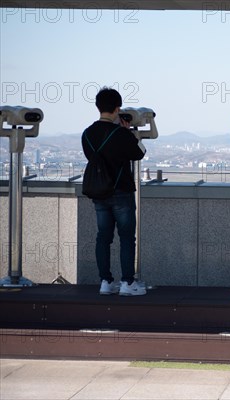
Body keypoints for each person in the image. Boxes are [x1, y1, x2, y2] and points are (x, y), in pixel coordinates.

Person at [82, 88, 147, 296]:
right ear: (117, 108)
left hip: (99, 193)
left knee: (103, 238)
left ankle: (105, 282)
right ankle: (128, 284)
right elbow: (139, 153)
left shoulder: (87, 134)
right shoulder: (120, 133)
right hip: (121, 193)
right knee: (127, 238)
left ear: (98, 107)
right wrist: (128, 133)